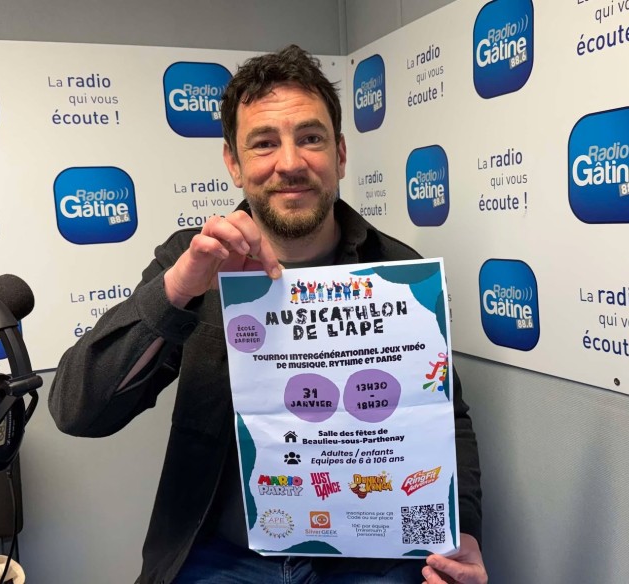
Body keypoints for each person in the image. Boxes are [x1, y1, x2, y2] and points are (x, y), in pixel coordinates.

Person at [49, 45, 486, 584]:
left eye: (311, 138)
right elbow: (77, 410)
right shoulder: (194, 262)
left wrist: (464, 531)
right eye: (263, 143)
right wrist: (179, 290)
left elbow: (445, 416)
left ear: (340, 154)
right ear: (233, 164)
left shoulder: (398, 271)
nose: (291, 163)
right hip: (225, 558)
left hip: (372, 554)